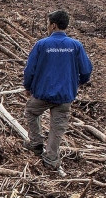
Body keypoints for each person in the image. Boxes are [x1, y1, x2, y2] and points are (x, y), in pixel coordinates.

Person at [21, 9, 92, 176]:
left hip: (42, 94)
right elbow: (87, 70)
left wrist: (28, 87)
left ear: (53, 25)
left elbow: (29, 70)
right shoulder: (75, 46)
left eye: (48, 24)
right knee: (57, 127)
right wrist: (77, 83)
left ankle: (36, 143)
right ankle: (51, 159)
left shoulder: (42, 45)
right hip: (65, 96)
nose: (47, 27)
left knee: (31, 111)